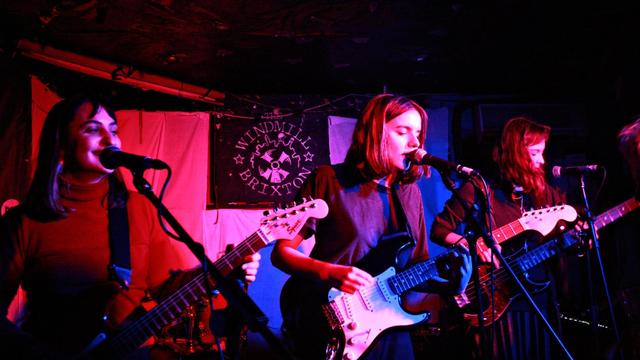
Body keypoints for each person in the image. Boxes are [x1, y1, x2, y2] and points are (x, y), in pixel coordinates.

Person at [0, 96, 260, 358]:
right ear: (61, 144)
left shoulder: (138, 208)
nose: (109, 139)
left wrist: (225, 269)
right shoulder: (23, 222)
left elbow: (167, 287)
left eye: (113, 130)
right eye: (92, 129)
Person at [272, 94, 471, 360]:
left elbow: (414, 268)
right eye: (403, 132)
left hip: (388, 327)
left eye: (418, 134)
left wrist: (451, 285)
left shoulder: (410, 193)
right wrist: (330, 272)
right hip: (328, 318)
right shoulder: (328, 180)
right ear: (375, 133)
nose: (414, 143)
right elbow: (282, 252)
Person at [431, 116, 567, 359]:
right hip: (496, 301)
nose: (542, 161)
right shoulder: (481, 188)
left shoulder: (546, 195)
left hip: (537, 297)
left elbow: (564, 239)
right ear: (516, 152)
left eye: (542, 153)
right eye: (535, 153)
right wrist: (472, 244)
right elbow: (439, 230)